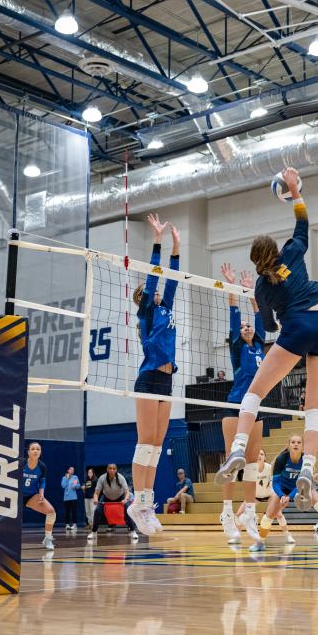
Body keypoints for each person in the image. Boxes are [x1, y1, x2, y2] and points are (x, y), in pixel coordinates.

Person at [216, 167, 318, 515]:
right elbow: (303, 226)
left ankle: (238, 446)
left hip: (296, 329)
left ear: (255, 263)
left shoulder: (261, 287)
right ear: (274, 250)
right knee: (314, 406)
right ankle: (310, 468)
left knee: (253, 393)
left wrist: (267, 307)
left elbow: (267, 326)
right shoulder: (292, 254)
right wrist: (296, 191)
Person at [128, 214, 181, 536]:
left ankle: (146, 504)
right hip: (148, 378)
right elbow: (153, 278)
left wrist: (177, 247)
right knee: (145, 443)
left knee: (158, 445)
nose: (158, 292)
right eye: (151, 293)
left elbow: (172, 279)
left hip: (167, 379)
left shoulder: (167, 307)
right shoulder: (147, 310)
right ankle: (140, 502)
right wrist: (158, 241)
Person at [216, 263, 266, 544]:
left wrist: (251, 291)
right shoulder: (238, 348)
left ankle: (249, 513)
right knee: (231, 462)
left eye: (249, 327)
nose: (247, 328)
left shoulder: (259, 347)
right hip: (235, 405)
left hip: (255, 408)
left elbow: (258, 316)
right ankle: (226, 513)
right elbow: (235, 318)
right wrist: (234, 288)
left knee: (251, 464)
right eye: (244, 328)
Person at [253, 435, 318, 550]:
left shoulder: (306, 460)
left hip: (301, 486)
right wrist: (282, 496)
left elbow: (303, 483)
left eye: (299, 442)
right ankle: (260, 542)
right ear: (289, 445)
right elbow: (275, 482)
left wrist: (289, 497)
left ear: (302, 446)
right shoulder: (281, 459)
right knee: (269, 514)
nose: (296, 444)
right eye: (293, 442)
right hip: (282, 487)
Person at [88, 463, 139, 541]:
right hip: (106, 497)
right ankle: (94, 532)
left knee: (128, 510)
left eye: (113, 469)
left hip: (120, 496)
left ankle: (133, 531)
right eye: (110, 468)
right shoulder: (102, 478)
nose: (112, 470)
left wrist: (125, 499)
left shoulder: (121, 478)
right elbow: (96, 492)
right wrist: (95, 499)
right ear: (107, 470)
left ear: (116, 470)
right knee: (97, 510)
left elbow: (127, 491)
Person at [21, 442, 55, 550]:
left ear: (40, 452)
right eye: (33, 449)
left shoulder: (42, 467)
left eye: (38, 449)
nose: (35, 451)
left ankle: (48, 538)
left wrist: (41, 494)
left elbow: (42, 482)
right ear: (28, 452)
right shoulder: (20, 463)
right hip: (16, 495)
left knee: (51, 512)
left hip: (31, 496)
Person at [61, 466, 81, 533]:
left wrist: (75, 486)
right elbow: (63, 485)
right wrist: (67, 479)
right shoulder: (64, 477)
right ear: (68, 470)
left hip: (73, 497)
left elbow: (78, 485)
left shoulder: (75, 477)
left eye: (73, 470)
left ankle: (74, 524)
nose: (72, 471)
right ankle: (67, 525)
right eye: (71, 470)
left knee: (74, 511)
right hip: (66, 498)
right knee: (67, 512)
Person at [82, 467, 97, 532]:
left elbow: (97, 489)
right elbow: (85, 489)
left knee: (93, 511)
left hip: (92, 498)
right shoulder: (86, 480)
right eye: (88, 472)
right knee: (88, 512)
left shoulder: (95, 480)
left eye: (90, 472)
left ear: (93, 473)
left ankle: (94, 524)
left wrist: (95, 497)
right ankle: (90, 524)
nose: (89, 473)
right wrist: (83, 488)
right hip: (86, 497)